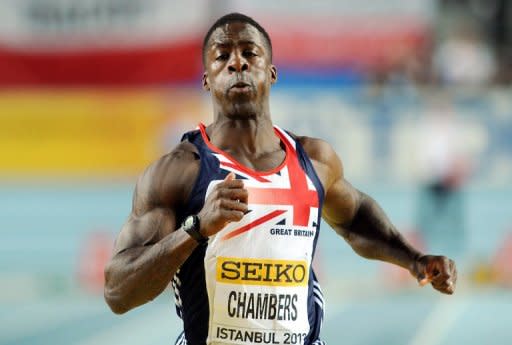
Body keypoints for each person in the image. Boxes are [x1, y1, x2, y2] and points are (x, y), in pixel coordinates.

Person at [104, 13, 457, 345]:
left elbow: (356, 219)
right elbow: (118, 291)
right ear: (207, 79)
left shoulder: (315, 161)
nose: (237, 63)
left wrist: (415, 260)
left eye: (249, 53)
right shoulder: (178, 172)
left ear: (271, 72)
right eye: (222, 55)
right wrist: (195, 229)